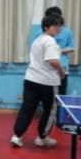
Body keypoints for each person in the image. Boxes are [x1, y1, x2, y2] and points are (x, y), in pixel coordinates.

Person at [10, 11, 67, 148]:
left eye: (59, 25)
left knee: (27, 108)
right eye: (55, 25)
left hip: (30, 80)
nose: (58, 28)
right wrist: (61, 70)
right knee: (50, 110)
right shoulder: (50, 41)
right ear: (46, 27)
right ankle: (42, 137)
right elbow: (53, 60)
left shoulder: (37, 40)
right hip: (48, 82)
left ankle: (17, 136)